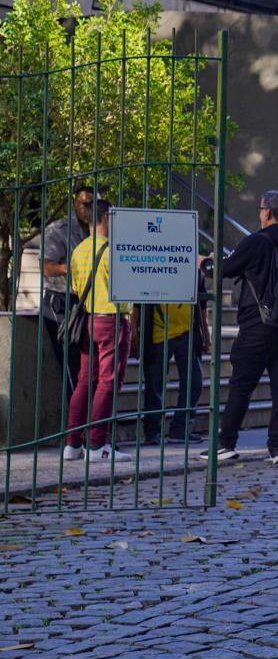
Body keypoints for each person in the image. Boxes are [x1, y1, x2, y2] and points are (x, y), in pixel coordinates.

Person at [202, 190, 278, 464]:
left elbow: (224, 270)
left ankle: (226, 443)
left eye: (260, 209)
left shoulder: (256, 242)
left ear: (266, 212)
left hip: (257, 326)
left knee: (241, 384)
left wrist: (205, 264)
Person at [63, 199, 133, 463]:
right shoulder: (115, 250)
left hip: (89, 321)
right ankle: (97, 445)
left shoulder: (78, 251)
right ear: (106, 217)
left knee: (84, 382)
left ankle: (73, 444)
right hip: (113, 319)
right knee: (108, 383)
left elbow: (75, 288)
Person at [39, 185, 95, 394]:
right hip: (61, 302)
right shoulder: (60, 229)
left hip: (90, 302)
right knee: (72, 366)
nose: (88, 209)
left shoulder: (99, 230)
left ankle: (89, 418)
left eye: (93, 204)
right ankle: (75, 422)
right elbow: (45, 267)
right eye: (84, 204)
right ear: (75, 204)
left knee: (89, 367)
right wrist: (72, 268)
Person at [139, 300, 207, 446]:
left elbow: (202, 303)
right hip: (157, 333)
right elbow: (139, 303)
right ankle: (152, 433)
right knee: (154, 385)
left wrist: (205, 333)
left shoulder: (196, 276)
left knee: (194, 382)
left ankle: (180, 430)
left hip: (188, 331)